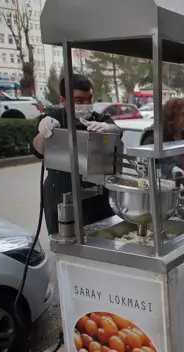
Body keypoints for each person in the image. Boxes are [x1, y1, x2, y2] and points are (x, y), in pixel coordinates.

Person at [32, 74, 121, 235]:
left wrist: (108, 129)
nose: (86, 105)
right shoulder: (54, 118)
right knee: (66, 245)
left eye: (89, 99)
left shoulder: (99, 119)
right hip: (61, 195)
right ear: (63, 100)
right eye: (79, 101)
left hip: (97, 197)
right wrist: (44, 130)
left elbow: (117, 131)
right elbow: (38, 150)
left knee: (102, 241)